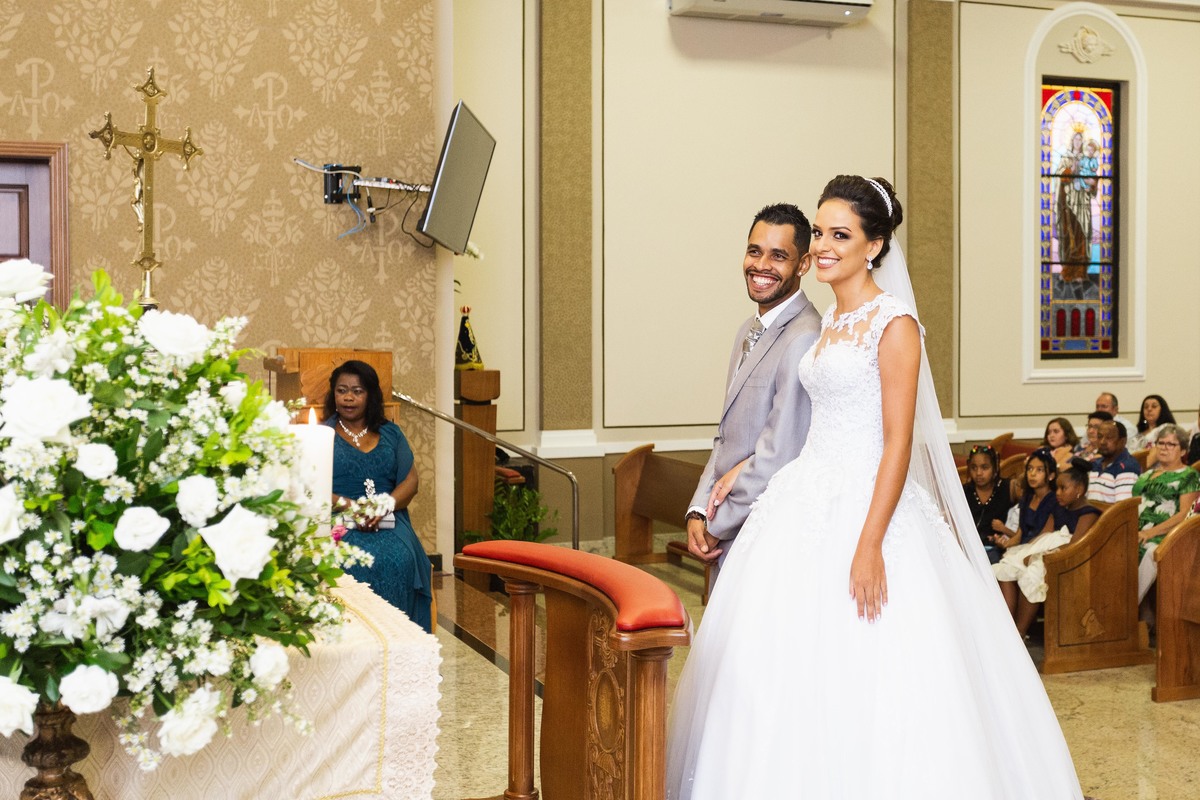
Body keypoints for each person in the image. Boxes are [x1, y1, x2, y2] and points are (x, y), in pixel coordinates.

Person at [666, 175, 1083, 799]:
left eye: (841, 235)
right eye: (820, 232)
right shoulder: (832, 320)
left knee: (879, 670)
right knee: (783, 669)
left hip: (870, 507)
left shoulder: (895, 324)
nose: (823, 246)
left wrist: (868, 544)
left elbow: (895, 442)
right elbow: (809, 423)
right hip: (804, 497)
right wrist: (733, 472)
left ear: (876, 246)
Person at [685, 203, 822, 566]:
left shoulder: (804, 337)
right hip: (727, 520)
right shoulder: (747, 330)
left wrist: (718, 524)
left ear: (803, 264)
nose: (761, 266)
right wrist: (699, 509)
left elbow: (780, 453)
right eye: (754, 251)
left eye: (778, 256)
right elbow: (726, 436)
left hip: (763, 528)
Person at [323, 360, 434, 633]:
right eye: (342, 390)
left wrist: (383, 506)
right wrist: (352, 507)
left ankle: (400, 643)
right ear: (333, 394)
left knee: (400, 559)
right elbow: (310, 485)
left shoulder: (391, 433)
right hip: (337, 518)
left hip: (390, 518)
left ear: (370, 395)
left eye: (357, 391)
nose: (348, 397)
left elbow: (410, 480)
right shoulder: (321, 435)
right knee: (344, 560)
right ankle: (352, 647)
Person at [994, 458, 1099, 638]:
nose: (1057, 493)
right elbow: (1044, 533)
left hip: (1064, 560)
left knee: (1032, 576)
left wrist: (1039, 556)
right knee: (1007, 567)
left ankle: (1020, 631)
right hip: (1045, 551)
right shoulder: (1059, 508)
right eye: (1056, 488)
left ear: (1079, 490)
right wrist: (1028, 550)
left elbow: (1076, 545)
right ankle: (1006, 627)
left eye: (1063, 488)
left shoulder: (1088, 513)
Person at [1132, 424, 1200, 604]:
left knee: (1150, 551)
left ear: (1183, 450)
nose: (1164, 448)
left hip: (1168, 535)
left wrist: (1150, 533)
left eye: (1171, 444)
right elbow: (1131, 506)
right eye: (1161, 443)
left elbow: (1186, 513)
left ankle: (1128, 608)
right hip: (1136, 530)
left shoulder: (1189, 475)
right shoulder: (1145, 475)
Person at [990, 449, 1060, 551]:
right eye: (1030, 469)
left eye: (1039, 470)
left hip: (1040, 550)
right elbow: (1020, 535)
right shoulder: (1027, 498)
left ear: (1051, 476)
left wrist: (1022, 551)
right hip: (1023, 547)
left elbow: (1044, 537)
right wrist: (1005, 544)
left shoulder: (1054, 501)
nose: (1032, 474)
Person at [962, 445, 1012, 564]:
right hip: (969, 547)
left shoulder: (1007, 487)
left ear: (994, 468)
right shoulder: (964, 491)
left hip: (997, 548)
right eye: (974, 468)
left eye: (985, 467)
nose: (978, 473)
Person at [1087, 420, 1141, 503]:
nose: (1102, 442)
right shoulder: (1094, 464)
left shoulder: (1127, 468)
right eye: (1100, 437)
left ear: (1123, 441)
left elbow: (1121, 510)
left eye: (1109, 438)